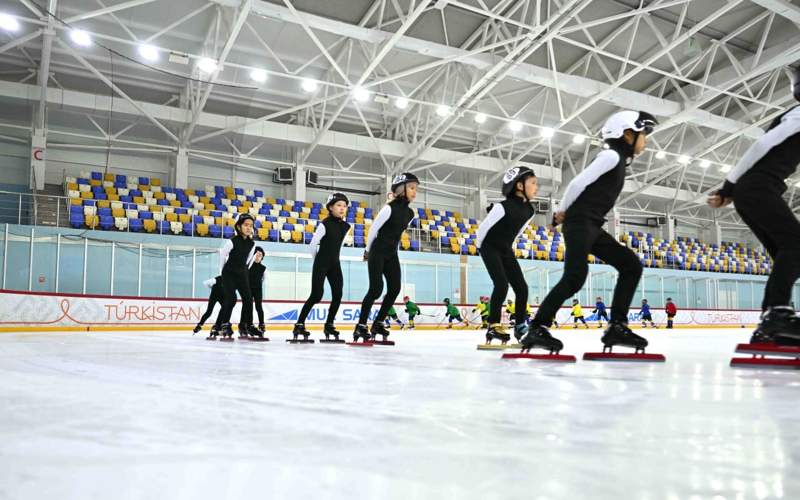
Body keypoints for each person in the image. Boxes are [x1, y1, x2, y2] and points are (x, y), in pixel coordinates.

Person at [523, 110, 658, 354]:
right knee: (575, 277)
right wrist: (562, 211)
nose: (646, 141)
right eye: (643, 135)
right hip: (580, 222)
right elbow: (577, 183)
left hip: (592, 225)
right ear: (627, 134)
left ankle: (617, 325)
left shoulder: (618, 160)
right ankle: (537, 327)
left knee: (631, 265)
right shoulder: (610, 156)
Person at [707, 66, 800, 345]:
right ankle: (777, 316)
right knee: (796, 244)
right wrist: (729, 186)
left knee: (787, 252)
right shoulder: (797, 115)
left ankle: (771, 323)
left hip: (757, 190)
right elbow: (760, 146)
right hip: (757, 188)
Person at [476, 166, 538, 344]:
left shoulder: (530, 211)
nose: (536, 187)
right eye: (533, 183)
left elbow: (518, 231)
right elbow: (482, 231)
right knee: (501, 284)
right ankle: (493, 325)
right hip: (489, 247)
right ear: (519, 186)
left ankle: (520, 327)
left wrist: (508, 247)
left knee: (522, 288)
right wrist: (483, 249)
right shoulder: (501, 208)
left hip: (506, 249)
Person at [354, 173, 418, 342]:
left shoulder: (411, 213)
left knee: (395, 288)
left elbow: (397, 233)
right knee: (376, 289)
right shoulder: (389, 208)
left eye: (416, 188)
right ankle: (360, 326)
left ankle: (378, 323)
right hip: (378, 251)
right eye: (411, 188)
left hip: (392, 253)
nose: (414, 192)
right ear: (400, 189)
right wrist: (367, 251)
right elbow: (374, 229)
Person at [293, 193, 351, 342]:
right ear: (331, 207)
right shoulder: (325, 224)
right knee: (316, 295)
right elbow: (312, 244)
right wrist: (317, 260)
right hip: (321, 263)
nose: (342, 208)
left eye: (344, 206)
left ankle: (329, 324)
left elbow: (340, 245)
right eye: (338, 205)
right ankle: (299, 324)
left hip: (335, 263)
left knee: (338, 295)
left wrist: (335, 258)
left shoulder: (346, 226)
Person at [216, 213, 261, 339]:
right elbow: (222, 255)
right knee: (231, 299)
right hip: (229, 273)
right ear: (239, 226)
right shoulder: (231, 242)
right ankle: (224, 324)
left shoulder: (252, 244)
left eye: (251, 226)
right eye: (246, 225)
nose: (248, 228)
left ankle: (246, 325)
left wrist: (244, 270)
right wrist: (221, 273)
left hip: (242, 273)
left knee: (248, 299)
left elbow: (248, 260)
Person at [249, 247, 266, 333]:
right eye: (257, 254)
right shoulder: (248, 265)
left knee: (258, 306)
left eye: (260, 255)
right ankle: (249, 324)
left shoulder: (263, 268)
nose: (258, 256)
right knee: (249, 306)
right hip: (248, 288)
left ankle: (261, 324)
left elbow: (263, 279)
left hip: (258, 289)